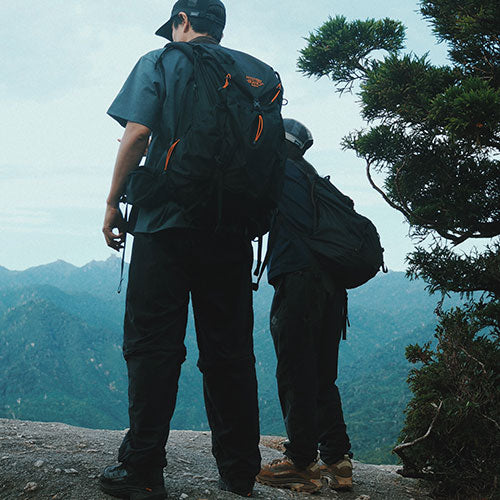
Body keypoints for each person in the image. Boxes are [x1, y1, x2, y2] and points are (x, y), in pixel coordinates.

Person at [99, 1, 271, 497]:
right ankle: (239, 473)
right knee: (230, 354)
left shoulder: (160, 60)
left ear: (181, 23)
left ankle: (143, 468)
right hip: (232, 231)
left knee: (153, 348)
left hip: (164, 227)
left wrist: (113, 204)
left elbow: (137, 134)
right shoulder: (256, 73)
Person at [256, 119, 353, 493]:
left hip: (299, 283)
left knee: (295, 371)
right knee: (322, 375)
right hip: (333, 290)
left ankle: (299, 463)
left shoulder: (275, 170)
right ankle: (338, 460)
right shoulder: (314, 179)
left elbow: (252, 217)